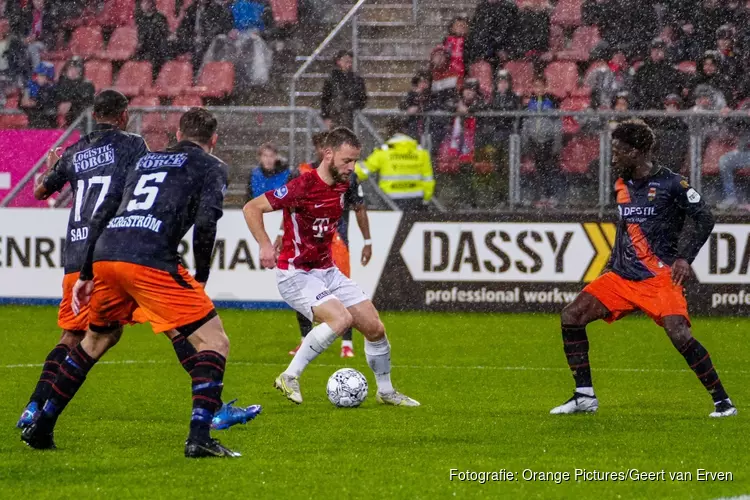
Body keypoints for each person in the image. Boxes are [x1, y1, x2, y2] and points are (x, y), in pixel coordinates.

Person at [21, 107, 258, 457]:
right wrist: (202, 276)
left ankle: (42, 424)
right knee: (214, 340)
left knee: (97, 338)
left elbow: (105, 210)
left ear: (178, 134)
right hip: (149, 258)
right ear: (214, 140)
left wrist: (87, 271)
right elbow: (207, 223)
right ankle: (199, 437)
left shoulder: (146, 160)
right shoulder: (212, 166)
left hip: (106, 251)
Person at [550, 120, 737, 418]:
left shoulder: (673, 183)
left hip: (659, 278)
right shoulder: (621, 183)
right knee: (571, 316)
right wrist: (612, 266)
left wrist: (684, 258)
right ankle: (584, 396)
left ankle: (723, 402)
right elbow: (626, 229)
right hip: (622, 277)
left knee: (679, 334)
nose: (613, 158)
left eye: (619, 151)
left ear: (637, 152)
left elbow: (705, 217)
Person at [243, 127, 419, 407]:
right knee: (340, 320)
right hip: (296, 273)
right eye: (346, 160)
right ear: (328, 154)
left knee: (375, 329)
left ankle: (385, 391)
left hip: (327, 270)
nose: (352, 167)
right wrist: (266, 244)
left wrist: (368, 239)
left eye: (355, 161)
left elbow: (359, 209)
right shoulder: (303, 185)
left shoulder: (345, 183)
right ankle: (290, 376)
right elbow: (252, 208)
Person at [284, 131, 373, 358]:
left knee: (343, 292)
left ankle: (347, 344)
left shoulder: (347, 176)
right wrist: (278, 236)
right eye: (320, 146)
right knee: (305, 290)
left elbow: (359, 208)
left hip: (337, 240)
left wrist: (367, 240)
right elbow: (289, 210)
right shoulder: (303, 174)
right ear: (321, 149)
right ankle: (305, 338)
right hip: (307, 243)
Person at [360, 118, 434, 211]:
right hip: (416, 199)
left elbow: (363, 170)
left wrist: (346, 170)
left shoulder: (384, 151)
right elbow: (428, 179)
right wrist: (426, 200)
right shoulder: (420, 152)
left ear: (389, 131)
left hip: (390, 199)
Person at [521, 76, 562, 207]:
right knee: (538, 169)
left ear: (545, 88)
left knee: (549, 169)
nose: (538, 89)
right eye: (535, 86)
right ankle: (540, 196)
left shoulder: (552, 101)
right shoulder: (530, 103)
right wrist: (525, 140)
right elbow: (526, 122)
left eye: (540, 86)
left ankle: (551, 196)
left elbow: (557, 123)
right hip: (535, 140)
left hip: (548, 140)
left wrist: (557, 142)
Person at [174, 0, 234, 72]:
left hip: (208, 42)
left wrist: (204, 38)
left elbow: (221, 28)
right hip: (192, 41)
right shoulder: (192, 9)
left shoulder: (218, 9)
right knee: (169, 44)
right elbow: (182, 28)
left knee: (201, 48)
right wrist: (187, 39)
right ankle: (169, 74)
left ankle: (195, 75)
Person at [320, 50, 367, 130]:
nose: (349, 64)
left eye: (350, 62)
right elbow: (325, 99)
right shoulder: (332, 79)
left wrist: (352, 106)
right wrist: (326, 117)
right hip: (335, 117)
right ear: (338, 62)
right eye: (346, 62)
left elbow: (362, 98)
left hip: (351, 118)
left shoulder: (356, 79)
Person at [632, 39, 684, 110]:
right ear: (650, 52)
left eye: (659, 50)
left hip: (666, 106)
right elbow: (636, 88)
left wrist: (666, 102)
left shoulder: (670, 69)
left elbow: (675, 87)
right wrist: (647, 103)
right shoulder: (642, 70)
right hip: (646, 106)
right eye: (654, 50)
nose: (657, 52)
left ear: (664, 52)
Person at [717, 99, 750, 209]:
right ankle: (731, 198)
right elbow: (734, 125)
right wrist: (727, 116)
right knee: (725, 160)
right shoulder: (745, 105)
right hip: (746, 152)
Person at [55, 57, 95, 127]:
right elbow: (56, 98)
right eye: (70, 68)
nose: (73, 71)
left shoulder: (87, 84)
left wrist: (71, 104)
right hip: (66, 118)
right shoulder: (62, 83)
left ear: (81, 71)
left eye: (76, 69)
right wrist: (58, 105)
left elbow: (87, 102)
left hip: (81, 118)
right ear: (66, 70)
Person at [135, 0, 170, 79]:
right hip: (145, 49)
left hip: (157, 50)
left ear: (152, 4)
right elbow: (141, 37)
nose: (143, 5)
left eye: (146, 2)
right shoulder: (141, 19)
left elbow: (163, 35)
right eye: (143, 3)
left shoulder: (160, 18)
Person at [21, 61, 57, 129]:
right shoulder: (32, 85)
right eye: (38, 75)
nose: (39, 78)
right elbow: (24, 103)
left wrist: (35, 102)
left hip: (48, 124)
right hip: (33, 122)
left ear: (49, 78)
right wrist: (26, 94)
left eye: (43, 76)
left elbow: (44, 102)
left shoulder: (52, 88)